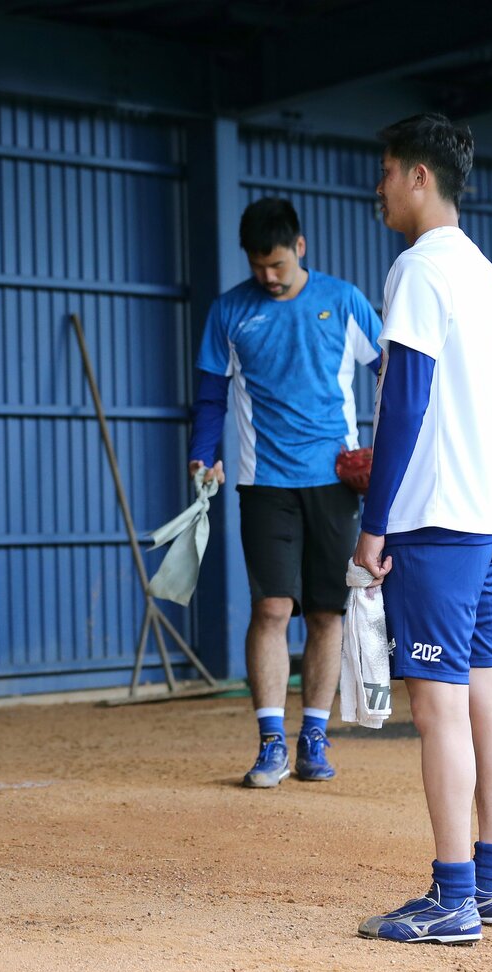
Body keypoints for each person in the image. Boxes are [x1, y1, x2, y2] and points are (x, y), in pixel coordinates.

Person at [351, 113, 492, 945]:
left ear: (420, 176)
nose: (377, 186)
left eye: (385, 171)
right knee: (485, 697)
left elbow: (406, 401)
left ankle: (452, 897)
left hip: (436, 516)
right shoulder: (487, 275)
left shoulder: (418, 269)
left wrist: (374, 527)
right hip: (490, 511)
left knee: (438, 710)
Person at [188, 197, 383, 788]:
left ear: (299, 248)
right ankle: (271, 740)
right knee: (272, 607)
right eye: (257, 266)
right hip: (262, 481)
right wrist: (205, 452)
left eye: (276, 263)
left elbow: (390, 373)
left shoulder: (343, 301)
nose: (267, 276)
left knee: (328, 612)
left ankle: (314, 739)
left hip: (334, 481)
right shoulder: (229, 311)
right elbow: (210, 395)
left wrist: (386, 452)